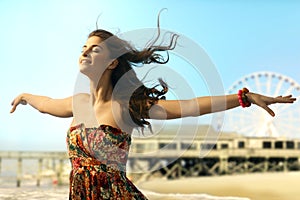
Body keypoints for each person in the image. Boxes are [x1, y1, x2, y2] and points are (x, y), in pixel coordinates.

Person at [10, 21, 296, 199]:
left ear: (111, 63)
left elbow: (191, 108)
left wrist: (244, 97)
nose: (85, 51)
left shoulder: (127, 106)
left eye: (95, 49)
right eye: (84, 47)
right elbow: (46, 105)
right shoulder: (78, 104)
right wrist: (24, 96)